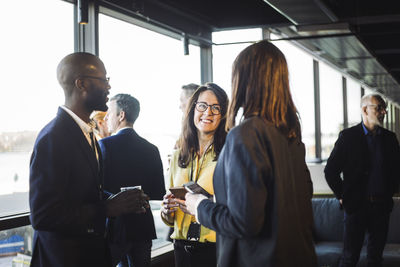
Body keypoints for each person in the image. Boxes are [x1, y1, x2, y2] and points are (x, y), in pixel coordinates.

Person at [185, 40, 317, 267]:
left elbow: (244, 223)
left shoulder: (246, 134)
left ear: (244, 80)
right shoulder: (291, 134)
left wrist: (200, 206)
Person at [29, 52, 149, 267]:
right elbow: (43, 215)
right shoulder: (53, 138)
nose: (109, 87)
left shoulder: (88, 133)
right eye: (104, 80)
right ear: (81, 84)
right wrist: (107, 209)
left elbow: (83, 192)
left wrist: (120, 200)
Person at [324, 94, 400, 267]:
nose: (384, 112)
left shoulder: (390, 138)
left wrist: (391, 191)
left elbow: (397, 169)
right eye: (379, 107)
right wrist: (343, 195)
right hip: (356, 208)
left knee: (375, 259)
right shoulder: (348, 137)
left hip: (381, 207)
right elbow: (330, 171)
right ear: (365, 109)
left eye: (384, 108)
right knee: (350, 258)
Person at [161, 83, 228, 267]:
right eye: (202, 106)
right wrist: (167, 211)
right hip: (182, 250)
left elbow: (236, 206)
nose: (208, 113)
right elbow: (170, 218)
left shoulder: (230, 153)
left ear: (223, 115)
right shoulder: (177, 155)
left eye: (216, 108)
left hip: (216, 249)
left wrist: (205, 202)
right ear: (193, 109)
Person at [99, 93, 166, 267]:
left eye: (109, 113)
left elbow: (97, 187)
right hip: (142, 227)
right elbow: (158, 191)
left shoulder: (104, 146)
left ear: (121, 115)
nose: (106, 118)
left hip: (115, 228)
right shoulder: (151, 149)